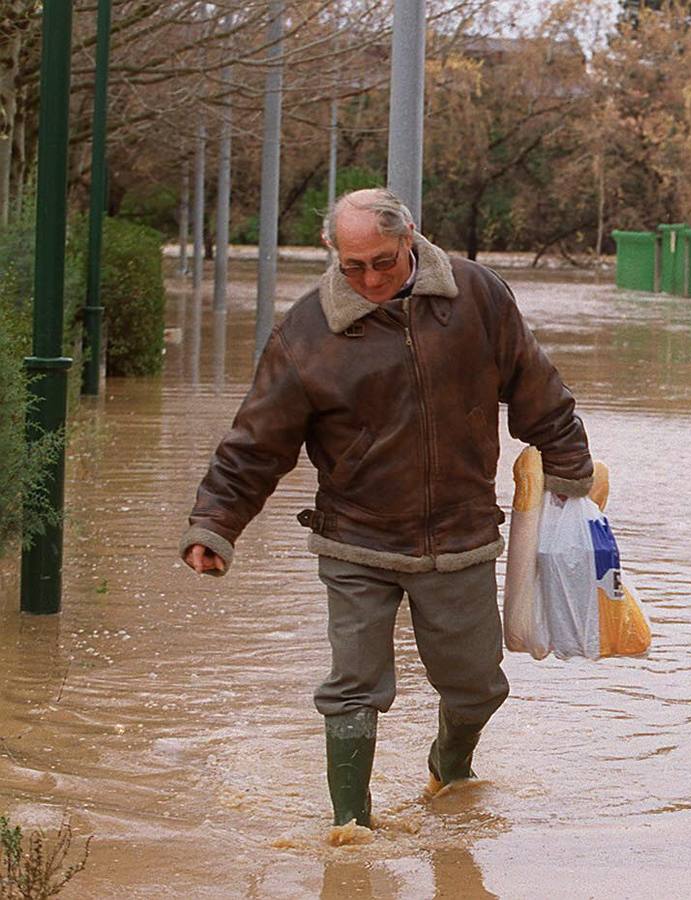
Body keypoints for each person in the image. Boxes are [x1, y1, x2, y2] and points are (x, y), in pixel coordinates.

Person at [179, 187, 593, 830]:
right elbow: (256, 441)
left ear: (410, 240)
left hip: (461, 535)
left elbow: (538, 388)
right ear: (332, 255)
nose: (370, 278)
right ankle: (351, 825)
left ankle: (450, 771)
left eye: (383, 262)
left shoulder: (477, 296)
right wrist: (216, 522)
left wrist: (571, 470)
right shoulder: (306, 331)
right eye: (354, 267)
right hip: (356, 540)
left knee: (479, 687)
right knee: (353, 688)